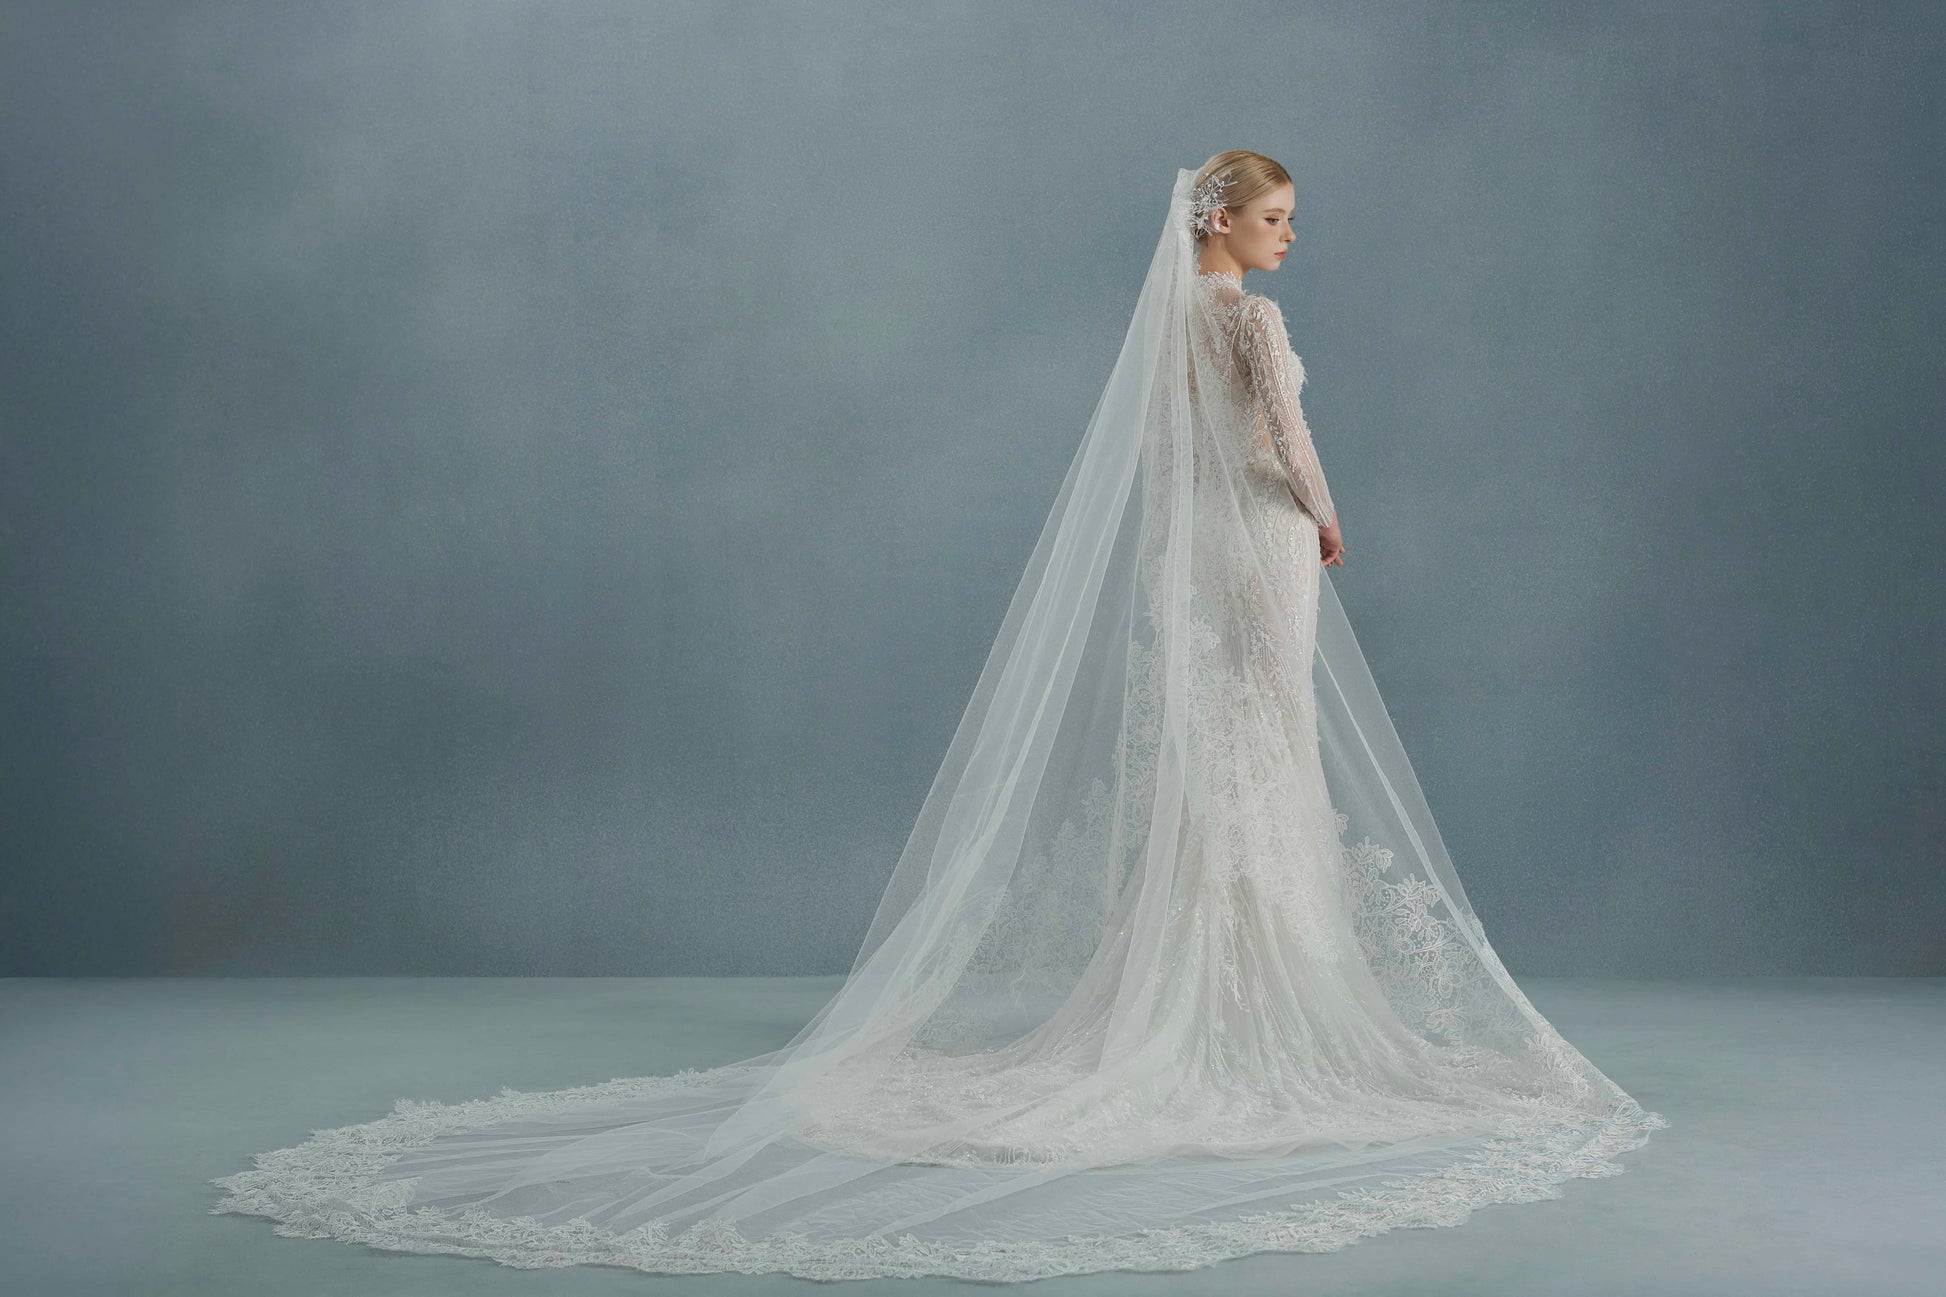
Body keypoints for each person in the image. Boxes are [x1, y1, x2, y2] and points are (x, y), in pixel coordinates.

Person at [211, 152, 1667, 1283]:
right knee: (1259, 739)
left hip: (1195, 547)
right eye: (1273, 213)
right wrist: (1328, 514)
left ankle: (1207, 968)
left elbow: (1169, 458)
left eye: (1287, 216)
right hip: (1261, 543)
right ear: (1219, 222)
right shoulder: (1247, 319)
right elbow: (1283, 438)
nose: (1290, 233)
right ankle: (1245, 987)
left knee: (1224, 746)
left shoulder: (1175, 321)